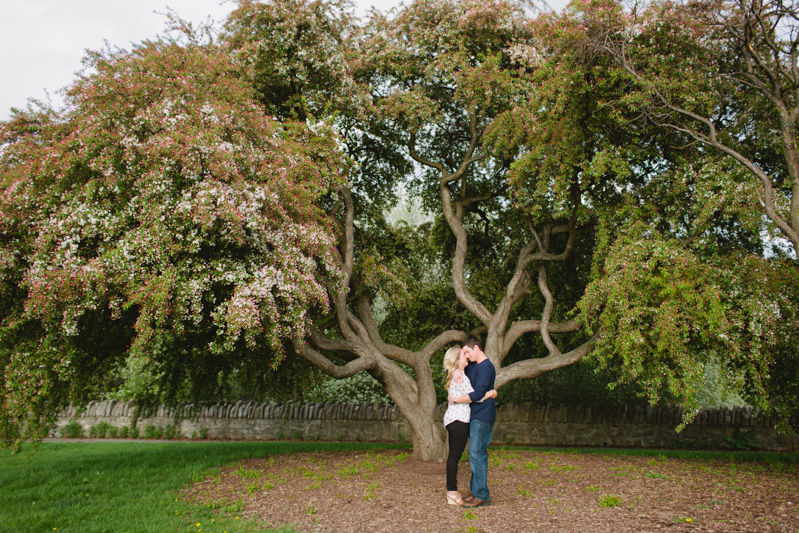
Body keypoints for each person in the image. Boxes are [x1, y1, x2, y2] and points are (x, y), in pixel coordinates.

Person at [442, 345, 496, 506]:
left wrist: (457, 370)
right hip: (458, 420)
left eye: (467, 353)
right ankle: (452, 492)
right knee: (454, 457)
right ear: (458, 360)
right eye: (463, 355)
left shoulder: (459, 374)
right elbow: (476, 397)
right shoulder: (461, 377)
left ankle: (454, 491)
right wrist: (492, 393)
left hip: (455, 419)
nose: (466, 356)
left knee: (455, 456)